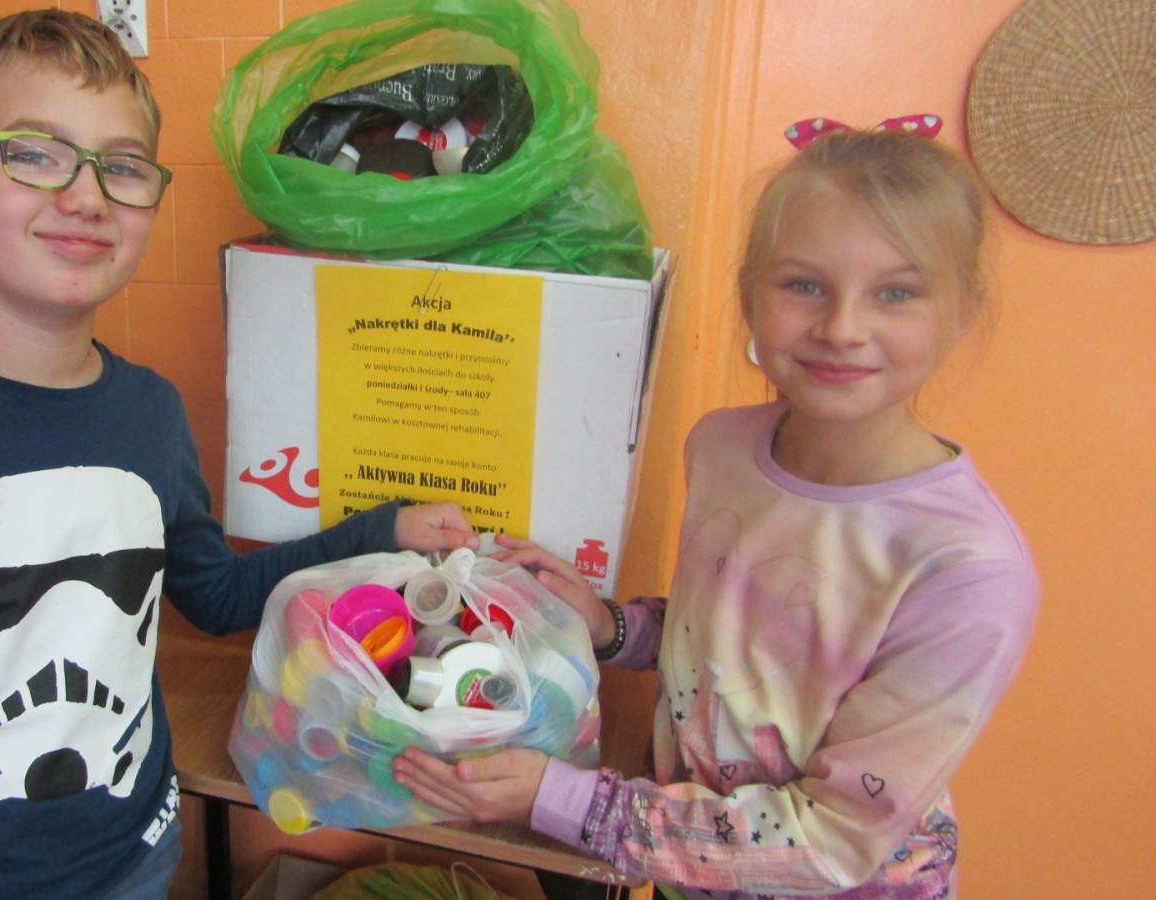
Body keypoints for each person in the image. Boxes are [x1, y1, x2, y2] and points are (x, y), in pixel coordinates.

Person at [0, 10, 477, 899]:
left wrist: (381, 530)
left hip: (127, 861)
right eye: (34, 154)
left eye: (120, 166)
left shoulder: (148, 414)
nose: (85, 196)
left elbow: (216, 595)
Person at [393, 128, 1039, 898]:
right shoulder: (723, 447)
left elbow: (830, 841)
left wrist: (562, 799)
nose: (842, 327)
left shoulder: (967, 571)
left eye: (896, 292)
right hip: (686, 871)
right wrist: (613, 627)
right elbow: (731, 643)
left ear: (963, 311)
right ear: (749, 295)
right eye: (804, 285)